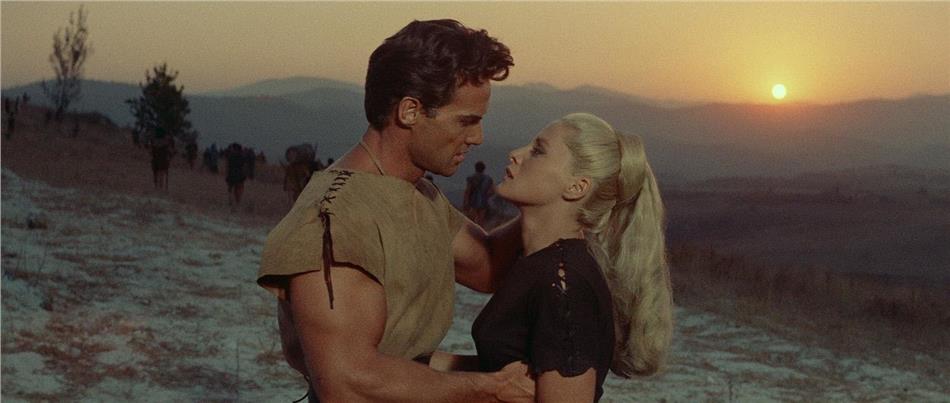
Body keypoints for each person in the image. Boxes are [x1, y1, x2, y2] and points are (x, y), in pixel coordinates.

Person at [257, 19, 532, 402]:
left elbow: (486, 266)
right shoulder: (334, 221)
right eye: (466, 121)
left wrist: (556, 206)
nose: (477, 137)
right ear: (409, 111)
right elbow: (347, 384)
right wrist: (490, 389)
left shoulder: (416, 191)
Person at [430, 113, 675, 402]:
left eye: (538, 151)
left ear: (576, 187)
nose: (515, 154)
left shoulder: (564, 284)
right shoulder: (540, 264)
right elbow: (499, 369)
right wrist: (402, 364)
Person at [464, 160, 495, 225]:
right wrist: (486, 196)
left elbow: (468, 191)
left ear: (475, 168)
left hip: (473, 200)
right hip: (483, 201)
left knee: (471, 220)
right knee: (481, 220)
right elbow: (492, 191)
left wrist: (466, 201)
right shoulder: (488, 179)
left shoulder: (472, 178)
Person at [224, 142, 248, 208]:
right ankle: (237, 201)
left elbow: (227, 166)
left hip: (231, 174)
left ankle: (231, 200)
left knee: (230, 188)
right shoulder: (242, 157)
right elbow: (244, 167)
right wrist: (245, 175)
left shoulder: (230, 156)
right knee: (238, 188)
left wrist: (226, 174)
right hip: (239, 174)